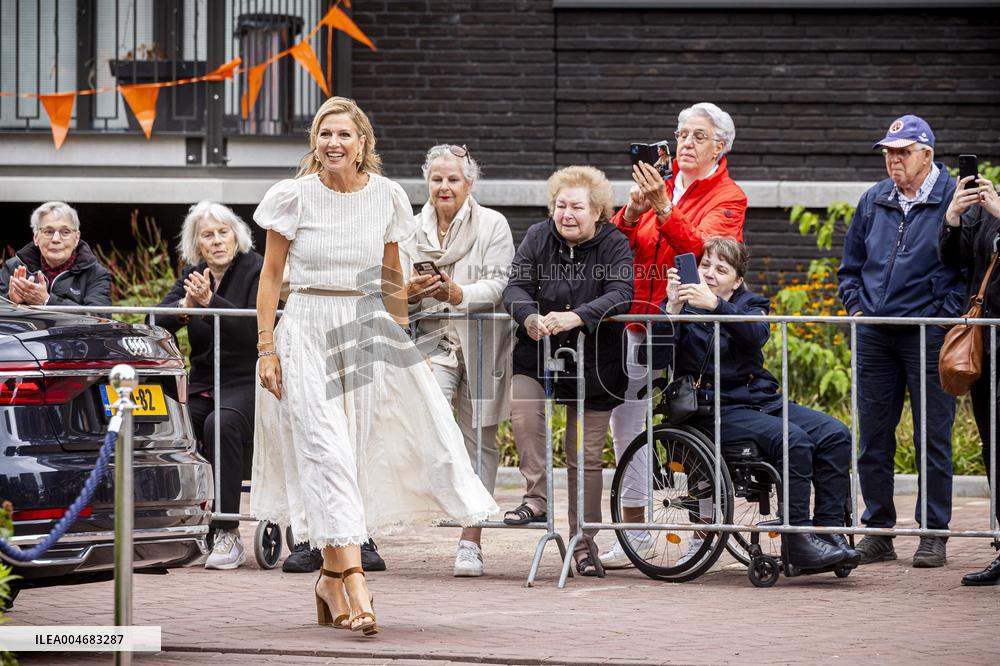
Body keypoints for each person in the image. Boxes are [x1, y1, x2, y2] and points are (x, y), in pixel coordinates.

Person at [252, 97, 498, 635]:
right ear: (315, 142)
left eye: (344, 134)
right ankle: (356, 583)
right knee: (327, 454)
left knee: (351, 458)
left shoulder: (387, 196)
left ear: (362, 142)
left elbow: (390, 282)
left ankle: (329, 580)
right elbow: (270, 277)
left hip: (363, 330)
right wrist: (266, 348)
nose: (333, 143)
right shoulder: (292, 197)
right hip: (306, 329)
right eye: (325, 134)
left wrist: (404, 349)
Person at [651, 238, 858, 571]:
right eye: (705, 265)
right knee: (792, 439)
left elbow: (756, 335)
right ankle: (798, 540)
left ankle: (828, 533)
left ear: (737, 280)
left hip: (761, 400)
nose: (710, 273)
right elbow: (653, 359)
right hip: (714, 409)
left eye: (721, 269)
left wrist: (717, 306)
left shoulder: (750, 304)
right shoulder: (681, 307)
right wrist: (671, 311)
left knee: (835, 433)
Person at [600, 102, 747, 570]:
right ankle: (637, 532)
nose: (685, 143)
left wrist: (664, 209)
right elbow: (614, 248)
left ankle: (704, 534)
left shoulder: (729, 197)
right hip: (639, 322)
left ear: (719, 147)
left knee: (693, 423)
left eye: (698, 136)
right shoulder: (659, 187)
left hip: (691, 329)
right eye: (682, 134)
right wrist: (630, 214)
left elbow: (706, 254)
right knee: (628, 428)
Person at [837, 114, 964, 568]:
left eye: (903, 152)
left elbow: (966, 271)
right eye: (889, 153)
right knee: (873, 436)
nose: (894, 160)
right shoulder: (874, 199)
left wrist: (941, 319)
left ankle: (933, 534)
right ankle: (878, 531)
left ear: (927, 154)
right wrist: (857, 309)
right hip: (875, 335)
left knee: (933, 437)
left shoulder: (953, 198)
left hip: (927, 335)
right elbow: (850, 266)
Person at [502, 165, 633, 577]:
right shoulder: (538, 236)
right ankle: (536, 498)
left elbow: (622, 293)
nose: (566, 214)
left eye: (577, 207)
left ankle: (584, 544)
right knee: (524, 414)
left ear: (597, 211)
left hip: (595, 363)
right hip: (538, 353)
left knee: (585, 457)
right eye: (560, 206)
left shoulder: (614, 243)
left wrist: (577, 316)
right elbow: (515, 286)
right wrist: (528, 317)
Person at [401, 144, 515, 578]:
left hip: (484, 344)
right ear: (427, 183)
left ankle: (471, 540)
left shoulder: (493, 224)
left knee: (480, 442)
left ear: (469, 183)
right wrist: (412, 292)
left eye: (453, 179)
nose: (444, 186)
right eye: (437, 179)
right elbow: (395, 288)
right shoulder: (410, 229)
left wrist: (458, 293)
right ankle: (434, 501)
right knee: (429, 422)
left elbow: (500, 283)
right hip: (433, 344)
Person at [150, 202, 262, 570]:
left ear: (236, 236)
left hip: (246, 380)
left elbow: (254, 331)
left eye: (223, 233)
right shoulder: (193, 274)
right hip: (204, 383)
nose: (216, 241)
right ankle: (182, 528)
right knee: (172, 422)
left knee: (220, 423)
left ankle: (227, 532)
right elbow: (154, 321)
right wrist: (185, 306)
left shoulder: (256, 268)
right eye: (207, 235)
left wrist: (211, 302)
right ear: (197, 244)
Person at [938, 169, 1000, 585]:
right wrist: (953, 218)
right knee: (993, 444)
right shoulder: (986, 209)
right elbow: (953, 260)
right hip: (988, 347)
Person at [1, 201, 111, 307]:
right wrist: (11, 302)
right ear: (36, 237)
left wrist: (47, 301)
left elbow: (98, 316)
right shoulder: (13, 267)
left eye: (65, 232)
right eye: (48, 232)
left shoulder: (96, 274)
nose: (56, 239)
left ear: (77, 238)